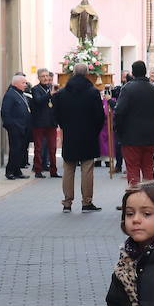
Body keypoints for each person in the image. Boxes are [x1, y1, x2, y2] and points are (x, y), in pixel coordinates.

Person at [52, 61, 105, 211]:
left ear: (73, 73)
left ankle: (67, 202)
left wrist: (64, 126)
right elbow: (99, 116)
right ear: (87, 73)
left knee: (68, 168)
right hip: (88, 135)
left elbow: (56, 114)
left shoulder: (62, 93)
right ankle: (86, 202)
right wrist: (94, 130)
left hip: (70, 134)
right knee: (87, 168)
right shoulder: (93, 92)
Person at [114, 60, 154, 186]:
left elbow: (119, 112)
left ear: (132, 73)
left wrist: (118, 130)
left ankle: (134, 196)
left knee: (133, 170)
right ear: (145, 72)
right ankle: (150, 195)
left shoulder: (127, 89)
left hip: (131, 136)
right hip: (151, 135)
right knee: (148, 168)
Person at [1, 72, 32, 179]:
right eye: (23, 83)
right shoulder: (10, 95)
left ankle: (17, 171)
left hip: (23, 127)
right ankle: (9, 171)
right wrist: (12, 126)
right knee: (15, 150)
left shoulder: (20, 93)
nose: (25, 85)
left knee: (21, 150)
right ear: (16, 84)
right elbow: (5, 112)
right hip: (15, 128)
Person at [30, 68, 59, 177]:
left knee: (52, 148)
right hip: (39, 123)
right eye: (43, 76)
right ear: (39, 78)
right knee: (39, 148)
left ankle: (53, 171)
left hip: (51, 123)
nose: (46, 78)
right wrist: (50, 94)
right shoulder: (35, 89)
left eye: (47, 76)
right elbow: (38, 101)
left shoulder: (52, 88)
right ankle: (38, 170)